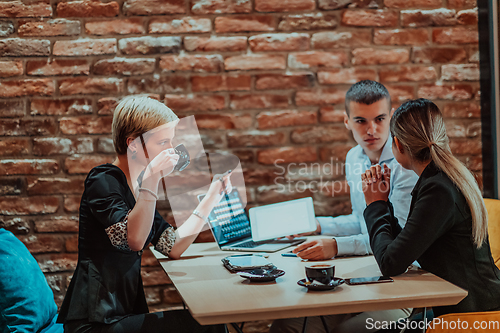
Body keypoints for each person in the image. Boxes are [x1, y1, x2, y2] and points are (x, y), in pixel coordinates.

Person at [57, 96, 228, 333]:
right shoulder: (103, 180)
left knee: (210, 320)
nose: (171, 150)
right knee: (208, 326)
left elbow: (173, 246)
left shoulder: (138, 189)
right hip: (95, 322)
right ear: (133, 144)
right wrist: (152, 180)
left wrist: (211, 199)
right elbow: (134, 240)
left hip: (121, 315)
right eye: (163, 142)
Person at [271, 81, 418, 332]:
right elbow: (362, 221)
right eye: (361, 121)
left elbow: (395, 238)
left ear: (392, 117)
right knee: (289, 325)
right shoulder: (354, 157)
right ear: (347, 121)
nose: (371, 129)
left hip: (404, 283)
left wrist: (337, 245)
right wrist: (317, 226)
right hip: (365, 274)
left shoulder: (405, 163)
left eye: (380, 119)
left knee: (346, 331)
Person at [362, 98, 500, 321]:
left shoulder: (438, 189)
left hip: (473, 316)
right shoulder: (444, 178)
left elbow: (390, 263)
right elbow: (405, 247)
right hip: (467, 305)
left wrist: (375, 205)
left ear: (397, 145)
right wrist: (383, 202)